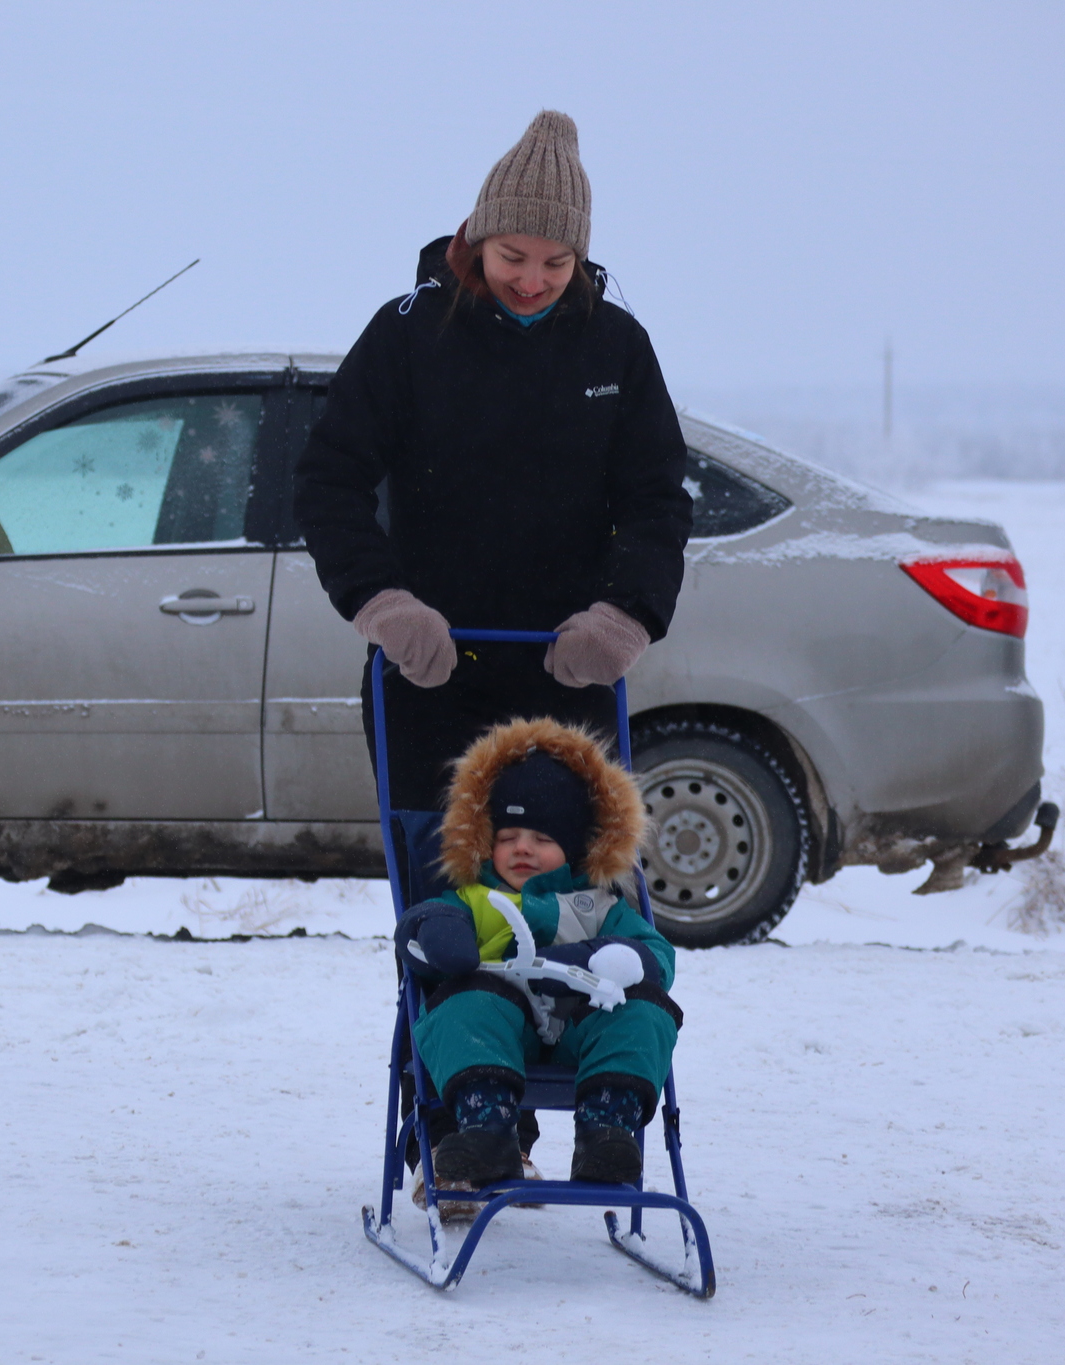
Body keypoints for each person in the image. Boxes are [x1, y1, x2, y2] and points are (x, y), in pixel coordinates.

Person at [292, 109, 693, 811]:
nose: (533, 280)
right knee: (443, 896)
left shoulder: (617, 346)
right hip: (428, 673)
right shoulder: (407, 335)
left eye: (556, 263)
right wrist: (382, 603)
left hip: (568, 672)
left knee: (568, 892)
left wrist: (624, 616)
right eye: (513, 256)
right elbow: (330, 480)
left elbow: (656, 498)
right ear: (476, 238)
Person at [395, 718, 681, 1212]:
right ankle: (488, 1132)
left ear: (572, 849)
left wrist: (615, 958)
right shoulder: (474, 898)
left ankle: (607, 1134)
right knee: (465, 1005)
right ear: (487, 841)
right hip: (503, 1032)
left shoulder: (599, 906)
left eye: (541, 838)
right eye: (508, 835)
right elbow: (420, 935)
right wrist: (438, 932)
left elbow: (658, 957)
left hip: (580, 1033)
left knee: (646, 1011)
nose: (522, 847)